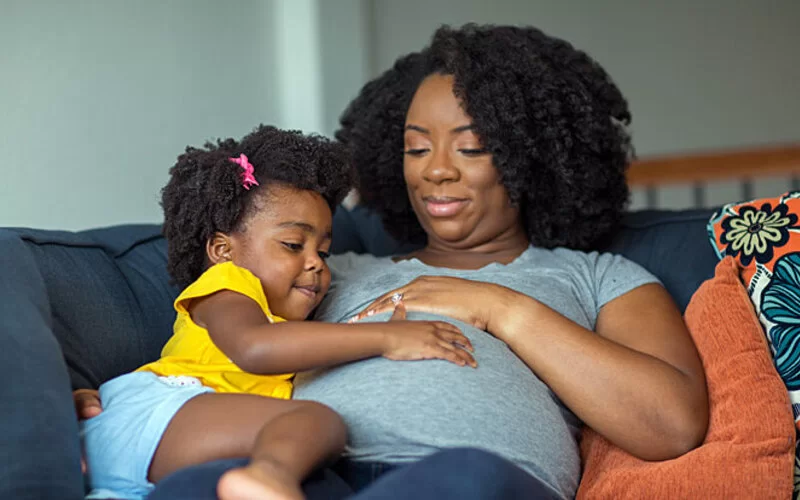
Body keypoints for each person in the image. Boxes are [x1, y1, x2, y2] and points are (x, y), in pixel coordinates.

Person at [77, 24, 709, 499]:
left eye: (473, 147)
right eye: (415, 148)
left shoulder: (597, 277)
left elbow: (671, 425)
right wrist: (117, 400)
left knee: (466, 476)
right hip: (307, 471)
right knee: (209, 484)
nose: (436, 169)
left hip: (471, 477)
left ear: (532, 156)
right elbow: (225, 349)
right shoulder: (324, 268)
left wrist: (498, 307)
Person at [78, 125, 478, 500]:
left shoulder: (284, 317)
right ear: (223, 251)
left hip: (142, 464)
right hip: (157, 413)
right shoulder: (229, 286)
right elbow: (255, 348)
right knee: (315, 422)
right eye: (292, 244)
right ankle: (270, 475)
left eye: (322, 251)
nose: (316, 264)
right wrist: (387, 337)